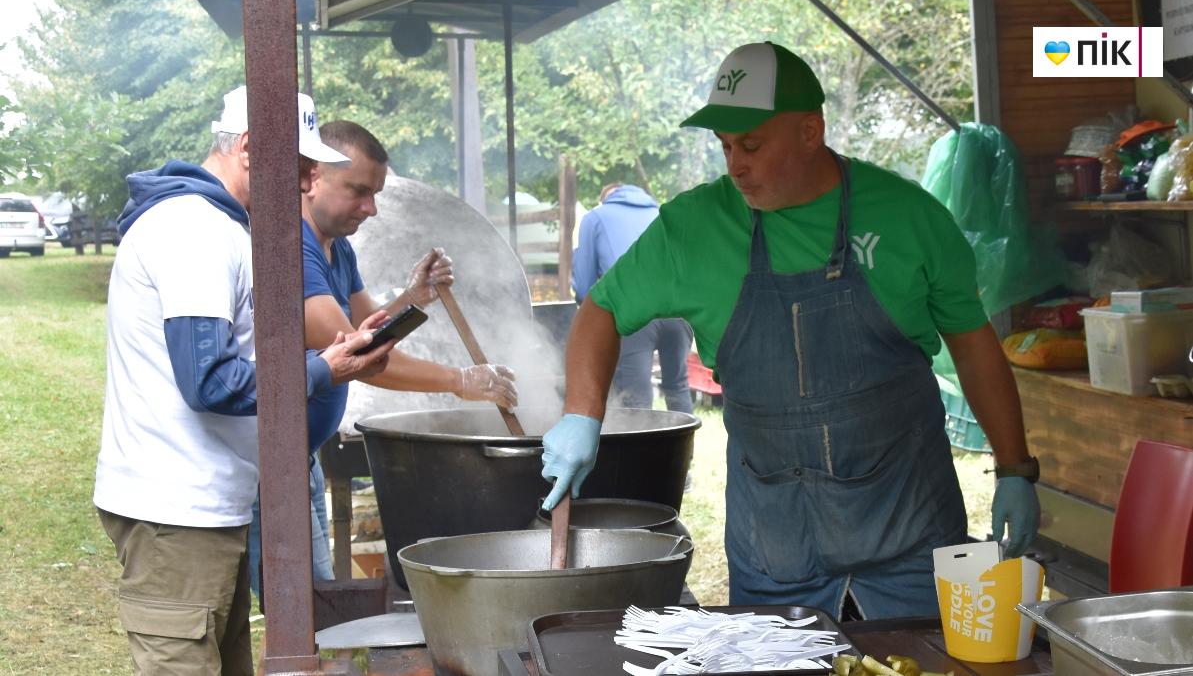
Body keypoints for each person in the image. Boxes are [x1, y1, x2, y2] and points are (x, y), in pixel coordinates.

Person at [538, 42, 1041, 620]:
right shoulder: (693, 228)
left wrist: (1014, 468)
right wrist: (582, 415)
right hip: (776, 549)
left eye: (751, 145)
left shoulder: (910, 217)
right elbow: (599, 311)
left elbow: (974, 345)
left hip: (911, 538)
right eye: (725, 146)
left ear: (810, 131)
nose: (735, 165)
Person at [93, 85, 397, 674]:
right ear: (254, 148)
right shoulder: (192, 230)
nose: (310, 185)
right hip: (176, 513)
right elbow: (209, 379)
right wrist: (322, 369)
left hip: (209, 507)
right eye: (304, 169)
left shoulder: (227, 228)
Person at [246, 119, 518, 599]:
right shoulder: (293, 251)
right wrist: (461, 380)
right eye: (358, 191)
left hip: (298, 454)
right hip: (262, 464)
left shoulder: (337, 249)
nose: (370, 208)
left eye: (374, 193)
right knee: (303, 606)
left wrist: (414, 298)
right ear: (311, 178)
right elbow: (366, 356)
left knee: (311, 602)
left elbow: (371, 328)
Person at [572, 183, 694, 413]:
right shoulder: (662, 211)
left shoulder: (595, 217)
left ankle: (642, 450)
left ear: (605, 198)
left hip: (635, 311)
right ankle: (685, 448)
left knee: (635, 394)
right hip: (680, 310)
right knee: (677, 386)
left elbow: (583, 288)